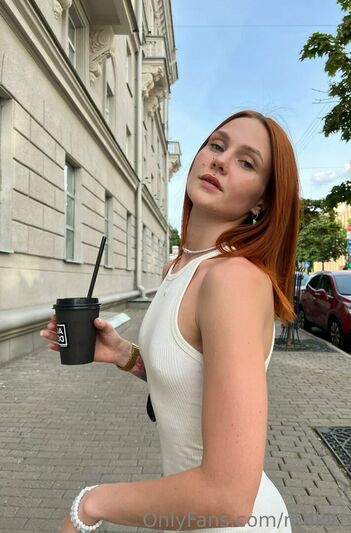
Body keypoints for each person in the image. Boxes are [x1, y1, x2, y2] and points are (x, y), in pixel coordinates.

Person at [42, 109, 300, 533]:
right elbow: (194, 381)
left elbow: (228, 497)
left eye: (246, 162)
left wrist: (92, 503)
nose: (220, 160)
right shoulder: (178, 268)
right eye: (217, 145)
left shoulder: (232, 279)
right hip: (188, 516)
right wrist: (124, 355)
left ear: (262, 202)